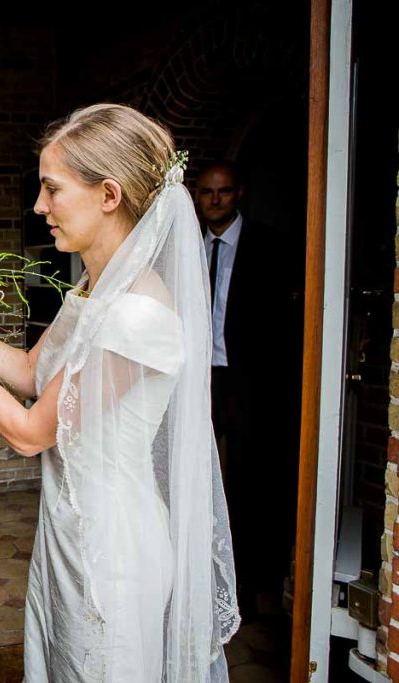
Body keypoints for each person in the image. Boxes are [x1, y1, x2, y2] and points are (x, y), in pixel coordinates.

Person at [0, 104, 239, 681]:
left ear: (108, 195)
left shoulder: (136, 312)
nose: (40, 207)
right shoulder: (94, 288)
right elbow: (31, 372)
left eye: (52, 189)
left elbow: (31, 433)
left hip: (112, 544)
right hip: (67, 527)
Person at [196, 160, 300, 617]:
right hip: (199, 376)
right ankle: (200, 572)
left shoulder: (269, 246)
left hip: (248, 379)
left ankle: (250, 581)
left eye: (222, 192)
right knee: (195, 471)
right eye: (206, 192)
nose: (214, 200)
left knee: (249, 476)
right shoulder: (188, 246)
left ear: (238, 193)